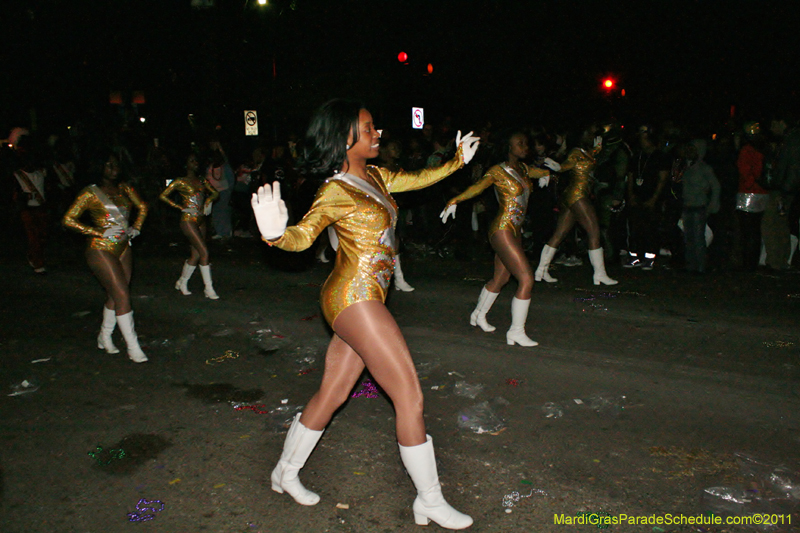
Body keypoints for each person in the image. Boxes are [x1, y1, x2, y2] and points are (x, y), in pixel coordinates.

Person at [251, 99, 478, 530]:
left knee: (333, 394)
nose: (379, 133)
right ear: (346, 138)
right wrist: (275, 235)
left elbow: (418, 178)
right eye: (370, 127)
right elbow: (302, 237)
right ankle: (429, 500)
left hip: (362, 297)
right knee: (409, 394)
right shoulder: (335, 190)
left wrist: (456, 161)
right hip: (354, 298)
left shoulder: (376, 175)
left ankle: (285, 471)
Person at [441, 130, 550, 347]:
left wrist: (547, 173)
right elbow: (477, 187)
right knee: (526, 279)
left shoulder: (524, 168)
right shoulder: (498, 170)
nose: (524, 146)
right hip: (502, 229)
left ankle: (478, 314)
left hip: (515, 230)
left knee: (501, 279)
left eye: (524, 142)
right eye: (519, 142)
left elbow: (538, 172)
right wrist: (455, 200)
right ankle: (516, 332)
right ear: (508, 147)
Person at [62, 153, 149, 363]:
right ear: (99, 168)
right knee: (121, 293)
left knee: (117, 293)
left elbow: (143, 207)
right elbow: (68, 219)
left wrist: (136, 227)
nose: (113, 169)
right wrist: (97, 232)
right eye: (108, 165)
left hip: (123, 246)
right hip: (99, 248)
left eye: (115, 165)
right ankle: (133, 346)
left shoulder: (125, 188)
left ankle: (104, 335)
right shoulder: (90, 193)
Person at [536, 125, 619, 286]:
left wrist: (597, 149)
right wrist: (558, 167)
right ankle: (600, 274)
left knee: (559, 233)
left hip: (572, 195)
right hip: (578, 195)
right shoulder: (575, 152)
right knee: (594, 231)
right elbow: (567, 165)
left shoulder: (583, 152)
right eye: (590, 133)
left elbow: (589, 159)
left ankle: (541, 270)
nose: (592, 136)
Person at [159, 153, 221, 299]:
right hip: (188, 219)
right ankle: (209, 288)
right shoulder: (180, 181)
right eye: (191, 161)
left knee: (196, 254)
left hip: (200, 219)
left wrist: (208, 201)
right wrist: (180, 207)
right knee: (204, 252)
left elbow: (215, 193)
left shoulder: (201, 180)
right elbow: (163, 196)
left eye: (196, 161)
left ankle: (182, 281)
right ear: (186, 164)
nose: (195, 163)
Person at [625, 125, 672, 269]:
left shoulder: (660, 156)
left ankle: (649, 258)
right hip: (637, 196)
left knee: (650, 228)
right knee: (635, 228)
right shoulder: (636, 156)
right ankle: (634, 257)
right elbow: (631, 177)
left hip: (651, 197)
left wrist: (654, 198)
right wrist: (631, 195)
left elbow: (662, 179)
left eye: (645, 137)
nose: (642, 140)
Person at [680, 139, 720, 273]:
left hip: (699, 206)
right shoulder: (688, 166)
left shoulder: (704, 168)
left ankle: (700, 266)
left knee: (698, 238)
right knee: (689, 238)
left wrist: (713, 204)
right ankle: (691, 265)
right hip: (688, 206)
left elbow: (716, 186)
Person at [735, 121, 769, 271]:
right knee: (755, 230)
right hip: (762, 192)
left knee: (747, 231)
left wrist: (749, 183)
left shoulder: (747, 150)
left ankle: (748, 264)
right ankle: (752, 263)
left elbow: (744, 171)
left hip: (748, 193)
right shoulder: (764, 148)